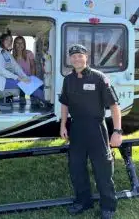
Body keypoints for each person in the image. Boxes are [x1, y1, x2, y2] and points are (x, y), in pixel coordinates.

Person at [59, 44, 122, 219]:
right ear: (70, 59)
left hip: (96, 128)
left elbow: (114, 106)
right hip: (77, 128)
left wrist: (117, 131)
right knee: (76, 168)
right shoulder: (68, 79)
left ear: (86, 57)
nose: (77, 59)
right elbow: (64, 103)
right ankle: (83, 201)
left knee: (103, 169)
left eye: (80, 55)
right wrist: (63, 124)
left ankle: (108, 206)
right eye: (73, 56)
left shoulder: (99, 78)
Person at [0, 31, 45, 103]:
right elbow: (0, 71)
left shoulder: (5, 52)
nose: (9, 42)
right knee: (31, 86)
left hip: (8, 79)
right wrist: (18, 78)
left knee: (40, 84)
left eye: (11, 41)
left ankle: (41, 102)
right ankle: (46, 104)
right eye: (7, 40)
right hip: (2, 82)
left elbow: (16, 67)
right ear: (1, 40)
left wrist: (25, 77)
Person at [13, 36, 36, 104]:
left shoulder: (29, 53)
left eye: (22, 43)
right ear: (14, 44)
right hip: (19, 81)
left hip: (29, 79)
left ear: (24, 44)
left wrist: (32, 79)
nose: (20, 45)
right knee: (22, 99)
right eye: (18, 43)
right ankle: (21, 110)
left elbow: (33, 66)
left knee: (32, 98)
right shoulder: (12, 56)